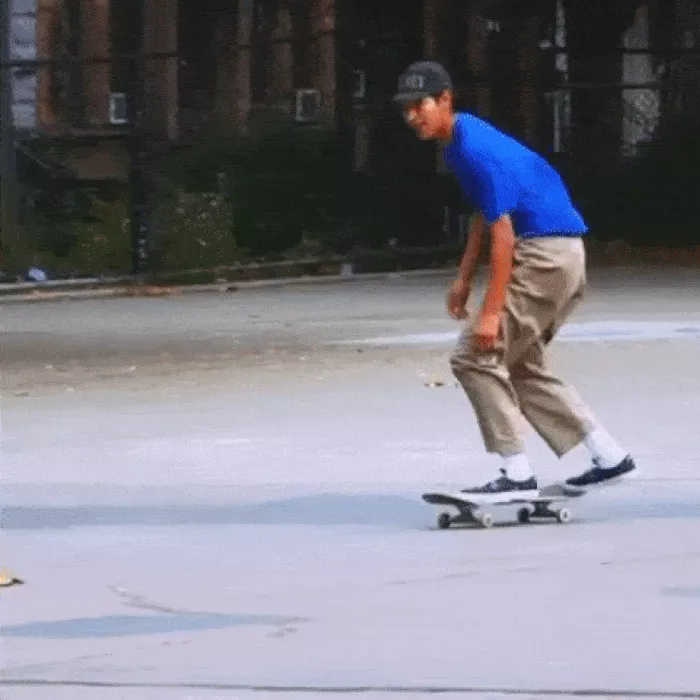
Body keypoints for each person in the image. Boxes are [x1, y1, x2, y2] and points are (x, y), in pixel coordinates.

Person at [393, 60, 636, 501]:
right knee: (521, 364)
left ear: (445, 99)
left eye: (420, 106)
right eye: (406, 109)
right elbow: (483, 219)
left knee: (473, 356)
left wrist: (488, 313)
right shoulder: (461, 141)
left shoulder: (472, 149)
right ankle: (608, 455)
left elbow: (503, 238)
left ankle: (516, 473)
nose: (413, 116)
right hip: (563, 254)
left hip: (543, 255)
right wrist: (463, 279)